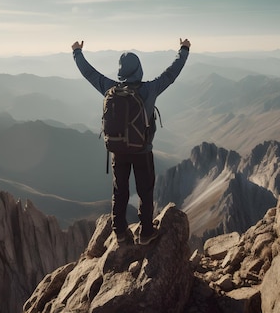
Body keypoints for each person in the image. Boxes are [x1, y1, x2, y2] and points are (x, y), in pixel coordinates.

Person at [71, 38, 191, 245]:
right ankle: (145, 232)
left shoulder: (109, 87)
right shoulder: (149, 90)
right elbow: (171, 73)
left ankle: (119, 230)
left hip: (118, 150)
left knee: (120, 189)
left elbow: (89, 74)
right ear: (139, 70)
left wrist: (77, 52)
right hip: (142, 150)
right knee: (145, 190)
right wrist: (184, 49)